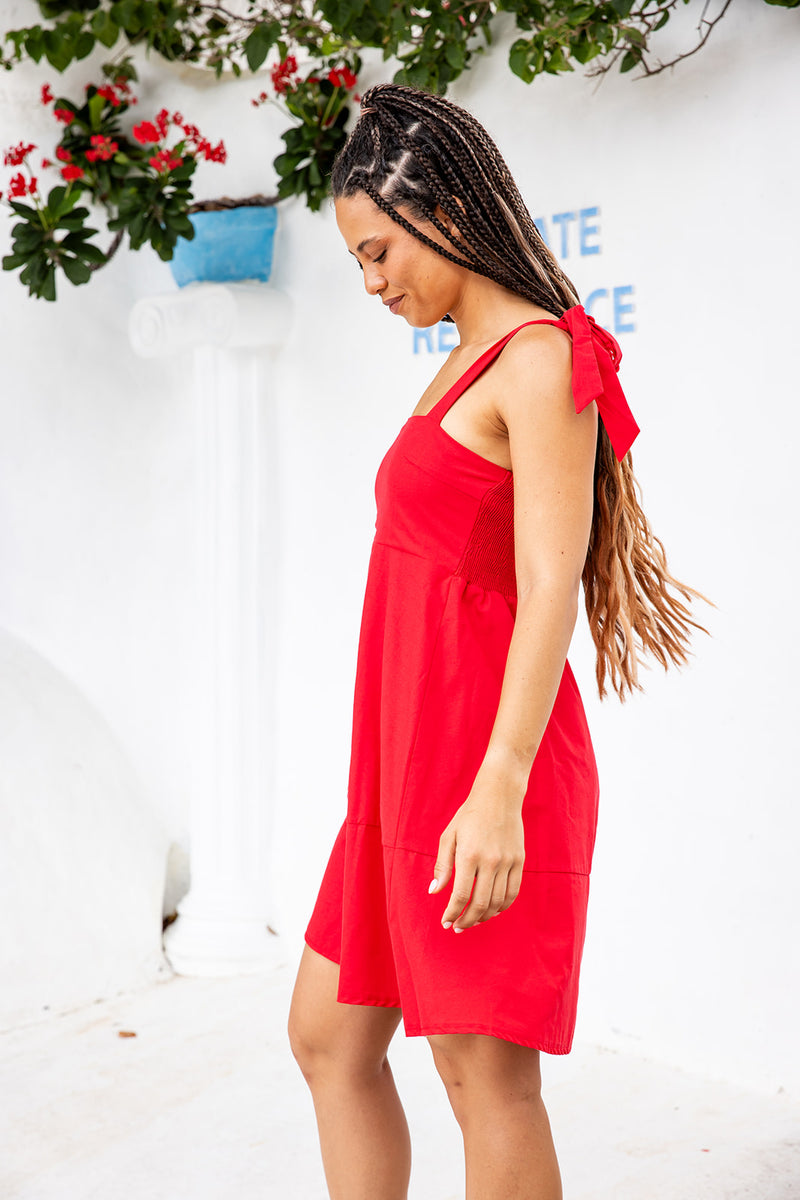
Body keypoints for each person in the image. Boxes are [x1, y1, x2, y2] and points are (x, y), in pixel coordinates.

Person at [288, 83, 708, 1200]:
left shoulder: (539, 358)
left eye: (379, 253)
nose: (372, 284)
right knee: (328, 1038)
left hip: (479, 772)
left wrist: (498, 789)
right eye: (358, 263)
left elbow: (548, 584)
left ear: (448, 215)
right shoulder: (465, 358)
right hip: (400, 768)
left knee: (484, 1081)